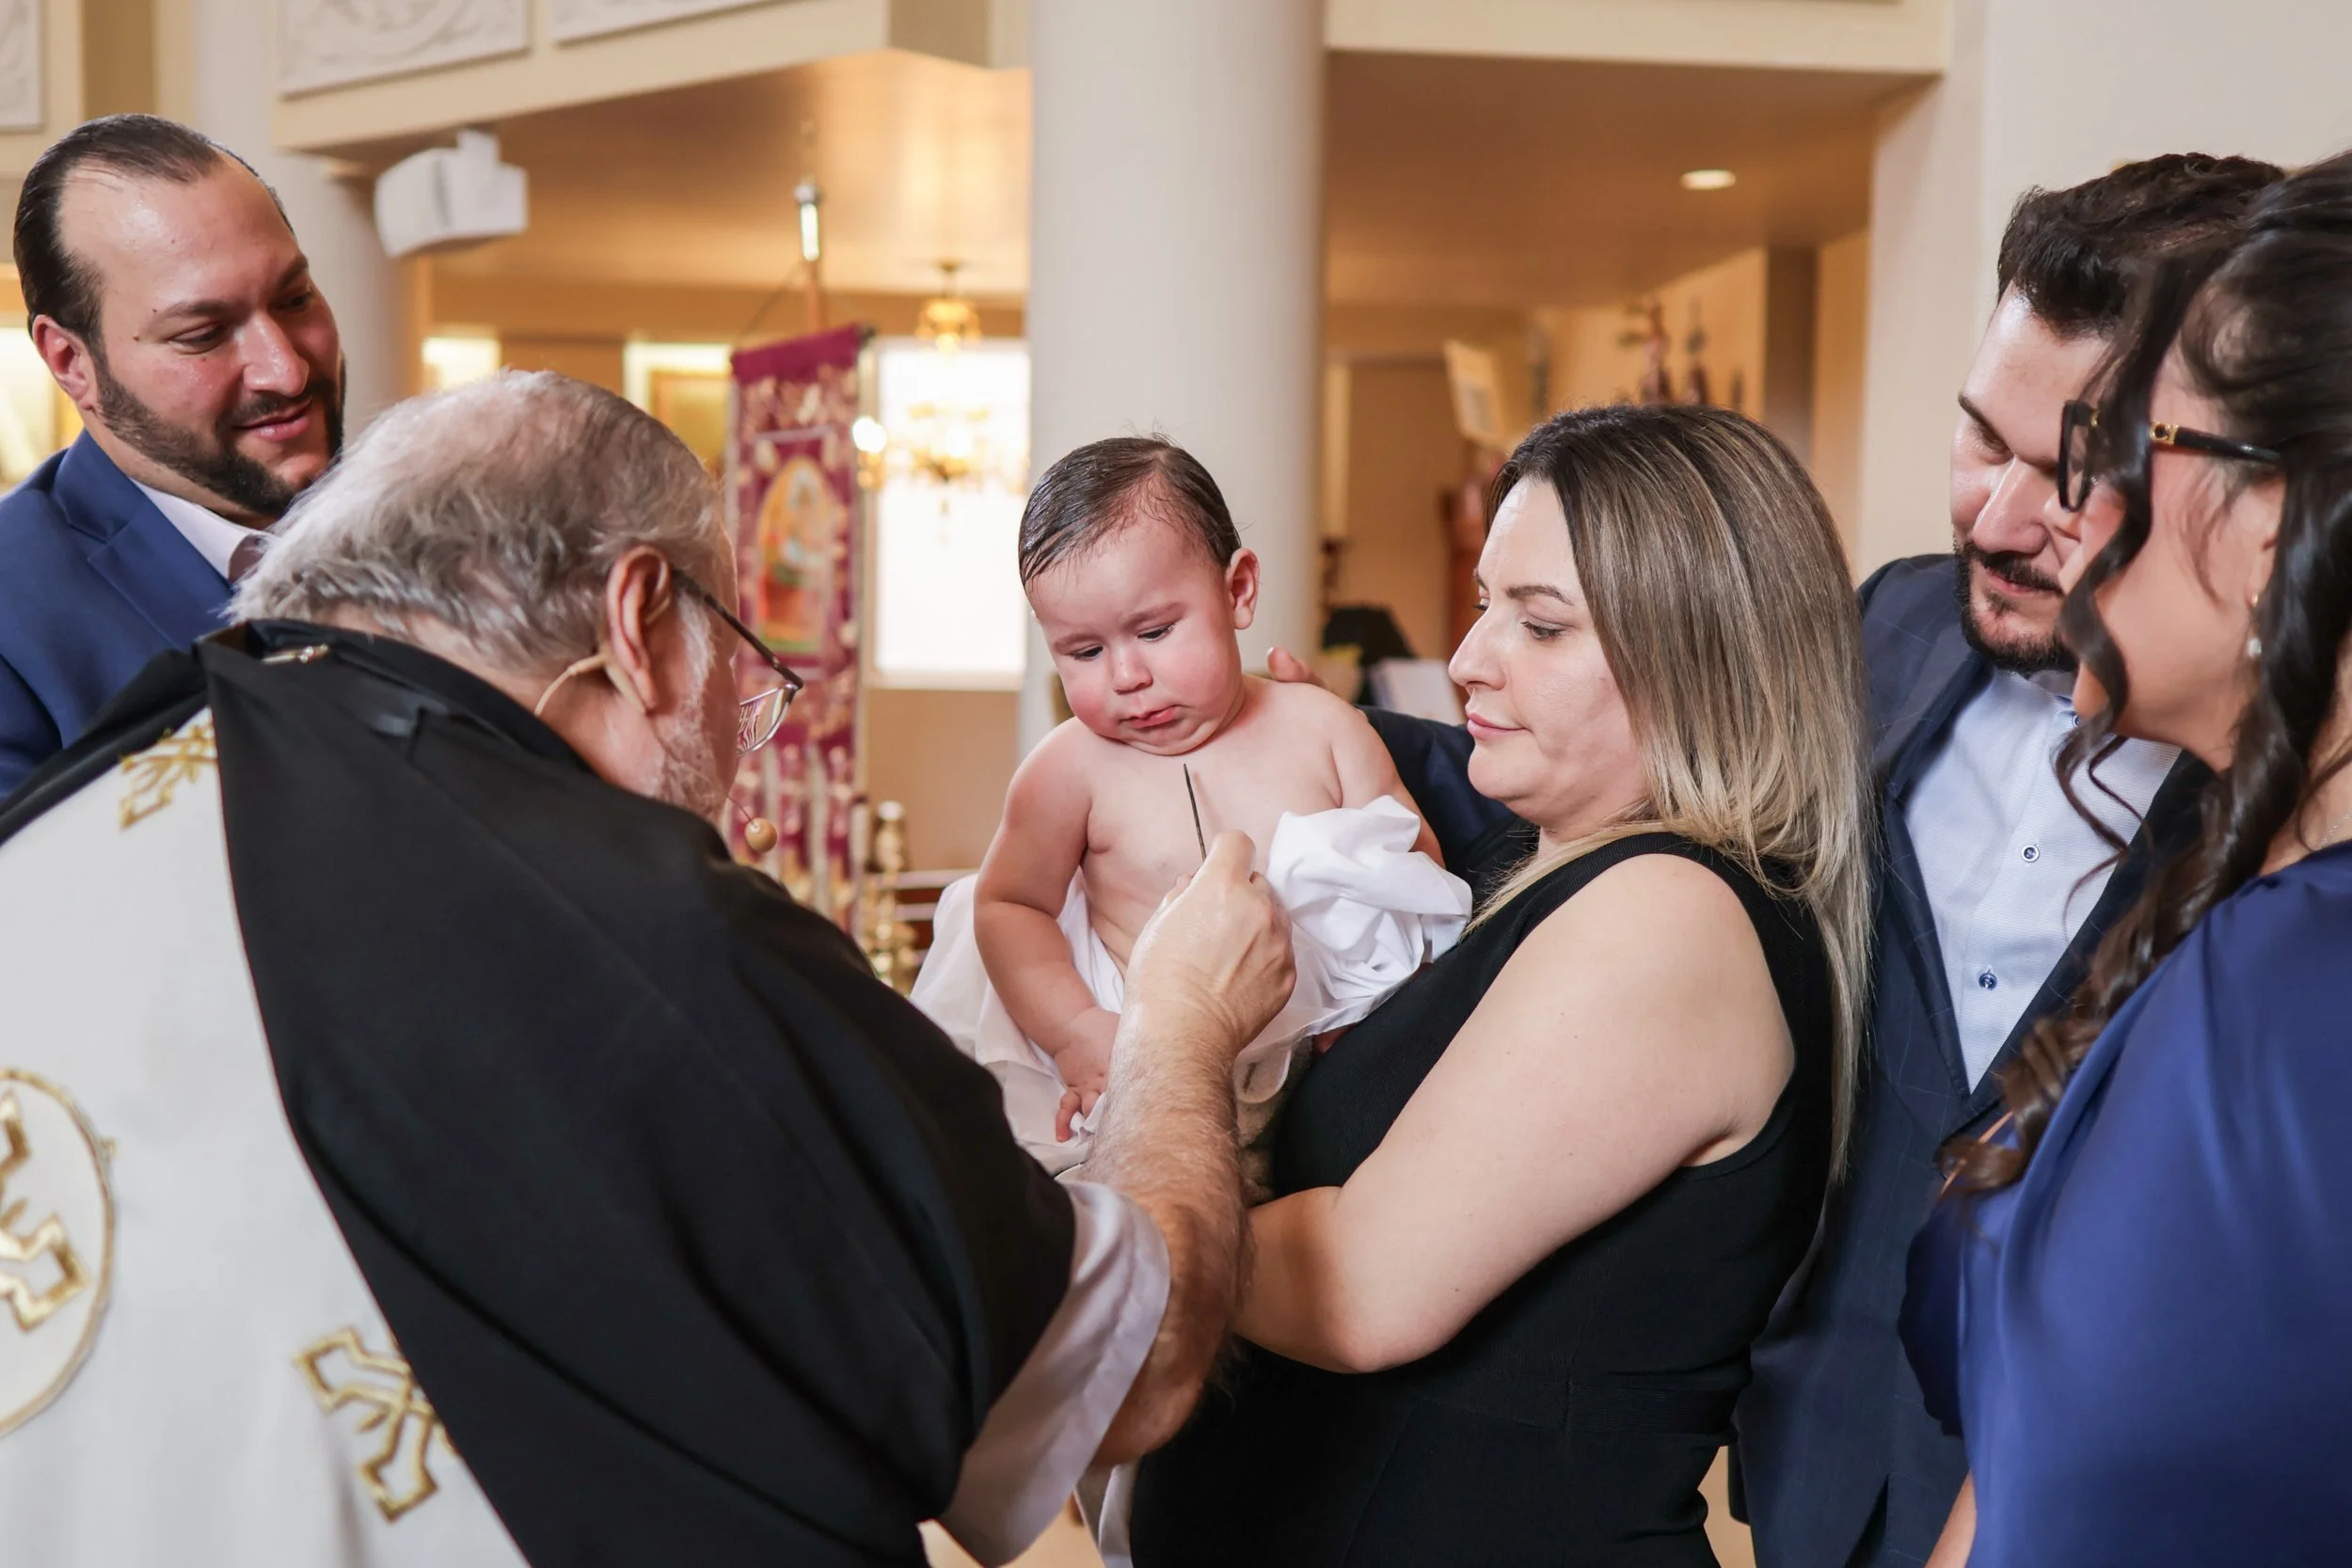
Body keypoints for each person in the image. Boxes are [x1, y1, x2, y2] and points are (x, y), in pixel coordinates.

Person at [0, 372, 1294, 1567]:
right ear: (641, 622)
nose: (739, 756)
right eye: (740, 660)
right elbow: (1134, 1364)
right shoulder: (650, 932)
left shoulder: (76, 798)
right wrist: (1177, 1024)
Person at [1281, 152, 2280, 1568]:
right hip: (1819, 1452)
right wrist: (1298, 737)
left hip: (2120, 1491)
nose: (1998, 515)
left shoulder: (2295, 792)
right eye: (1980, 440)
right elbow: (1647, 769)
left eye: (2073, 472)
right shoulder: (1893, 628)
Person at [1132, 403, 1871, 1566]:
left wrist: (1164, 1056)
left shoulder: (1672, 913)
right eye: (1485, 604)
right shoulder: (1529, 862)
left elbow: (1363, 1288)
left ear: (1699, 655)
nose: (1470, 657)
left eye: (1539, 623)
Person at [1905, 148, 2352, 1568]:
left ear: (2269, 521)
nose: (2061, 521)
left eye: (2117, 460)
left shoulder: (2298, 1000)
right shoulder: (2243, 933)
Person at [916, 436, 1465, 1180]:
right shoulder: (1067, 769)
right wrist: (1077, 1028)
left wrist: (1380, 998)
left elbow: (1415, 868)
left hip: (1322, 1065)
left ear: (1238, 591)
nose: (1127, 675)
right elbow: (1009, 904)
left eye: (1154, 632)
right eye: (1083, 652)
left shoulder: (1323, 727)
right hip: (1142, 1061)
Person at [0, 114, 343, 793]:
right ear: (71, 362)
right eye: (203, 334)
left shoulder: (450, 523)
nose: (286, 371)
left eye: (296, 298)